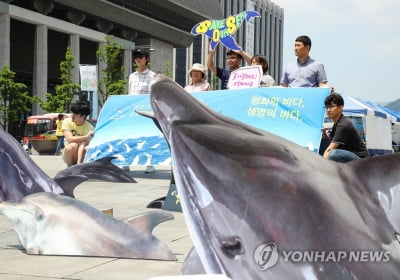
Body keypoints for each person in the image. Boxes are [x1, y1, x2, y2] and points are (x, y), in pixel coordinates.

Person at [128, 49, 157, 173]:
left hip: (147, 111)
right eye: (136, 57)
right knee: (130, 137)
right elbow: (129, 93)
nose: (138, 59)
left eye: (141, 56)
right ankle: (126, 162)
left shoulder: (152, 75)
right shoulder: (131, 76)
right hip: (133, 112)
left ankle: (150, 164)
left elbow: (154, 94)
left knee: (147, 137)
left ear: (146, 59)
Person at [322, 93, 369, 163]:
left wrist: (322, 164)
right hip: (348, 155)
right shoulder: (336, 124)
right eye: (327, 107)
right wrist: (325, 137)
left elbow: (330, 149)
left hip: (361, 161)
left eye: (332, 106)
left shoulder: (343, 125)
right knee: (322, 143)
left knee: (332, 154)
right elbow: (332, 142)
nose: (328, 110)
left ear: (341, 108)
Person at [62, 101, 94, 166]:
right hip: (69, 154)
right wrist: (85, 137)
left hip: (82, 155)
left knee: (85, 146)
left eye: (76, 114)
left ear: (83, 116)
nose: (72, 116)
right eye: (72, 113)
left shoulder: (89, 127)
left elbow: (86, 145)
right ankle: (70, 167)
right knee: (73, 145)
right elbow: (69, 139)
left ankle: (79, 165)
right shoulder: (67, 122)